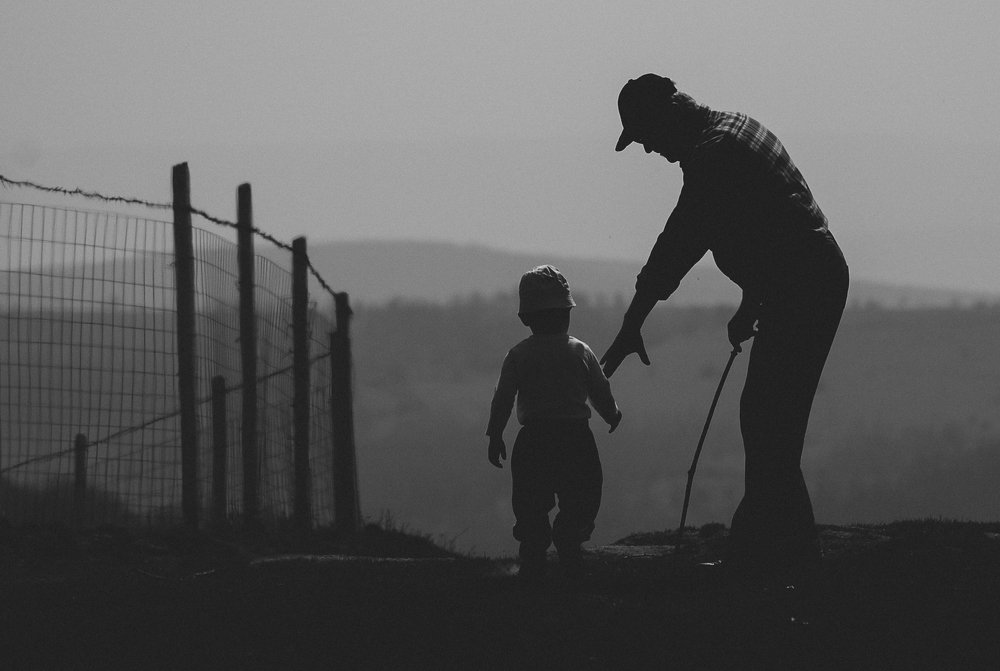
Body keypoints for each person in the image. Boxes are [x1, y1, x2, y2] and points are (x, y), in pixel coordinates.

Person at [601, 74, 849, 574]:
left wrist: (633, 322)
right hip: (804, 282)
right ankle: (780, 549)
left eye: (645, 135)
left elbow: (680, 243)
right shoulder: (735, 129)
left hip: (804, 289)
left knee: (767, 421)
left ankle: (773, 554)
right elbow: (770, 231)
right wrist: (751, 303)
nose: (648, 149)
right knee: (769, 421)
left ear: (667, 116)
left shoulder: (714, 156)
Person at [487, 265, 622, 580]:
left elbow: (503, 398)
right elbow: (600, 390)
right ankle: (570, 539)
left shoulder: (518, 355)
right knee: (583, 493)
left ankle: (533, 554)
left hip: (533, 440)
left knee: (530, 501)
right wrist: (612, 414)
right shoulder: (580, 351)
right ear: (568, 312)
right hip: (576, 438)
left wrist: (495, 434)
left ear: (525, 317)